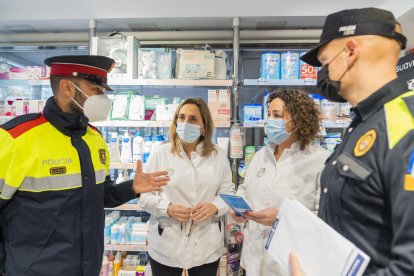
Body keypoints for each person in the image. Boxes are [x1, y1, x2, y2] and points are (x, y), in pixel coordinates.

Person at [0, 55, 169, 276]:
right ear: (67, 87)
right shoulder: (16, 138)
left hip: (86, 268)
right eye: (96, 90)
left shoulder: (94, 138)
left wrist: (132, 187)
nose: (103, 98)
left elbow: (102, 196)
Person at [290, 7, 414, 275]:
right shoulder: (363, 122)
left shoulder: (405, 127)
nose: (323, 73)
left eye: (325, 62)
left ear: (349, 52)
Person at [228, 88, 330, 276]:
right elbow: (245, 187)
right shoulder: (261, 155)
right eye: (269, 114)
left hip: (288, 264)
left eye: (277, 115)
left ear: (299, 119)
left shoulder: (321, 161)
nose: (269, 121)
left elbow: (326, 219)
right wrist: (239, 208)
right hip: (252, 260)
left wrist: (282, 218)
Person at [139, 98, 235, 276]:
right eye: (181, 117)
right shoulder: (160, 153)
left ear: (204, 126)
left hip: (206, 243)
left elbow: (228, 193)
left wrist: (214, 206)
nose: (185, 123)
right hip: (166, 243)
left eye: (193, 119)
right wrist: (167, 208)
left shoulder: (218, 155)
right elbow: (144, 198)